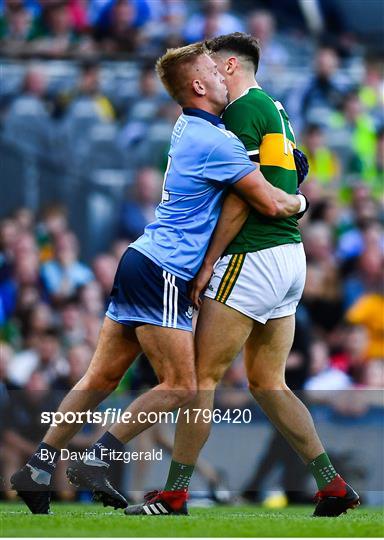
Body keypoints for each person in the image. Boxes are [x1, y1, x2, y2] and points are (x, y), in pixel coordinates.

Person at [11, 41, 304, 515]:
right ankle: (98, 456)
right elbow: (270, 202)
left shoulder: (190, 129)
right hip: (166, 270)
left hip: (140, 260)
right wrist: (300, 198)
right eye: (213, 68)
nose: (222, 74)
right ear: (198, 85)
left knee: (101, 376)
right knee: (182, 386)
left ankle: (38, 468)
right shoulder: (217, 141)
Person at [124, 33, 359, 518]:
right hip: (289, 258)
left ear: (230, 66)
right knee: (268, 383)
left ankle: (175, 493)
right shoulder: (273, 107)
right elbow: (291, 174)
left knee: (200, 378)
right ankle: (332, 485)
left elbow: (242, 197)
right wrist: (299, 200)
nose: (208, 75)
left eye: (212, 65)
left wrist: (208, 262)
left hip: (251, 255)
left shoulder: (238, 113)